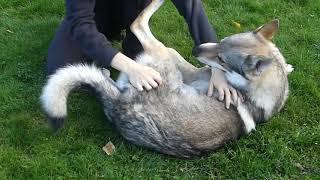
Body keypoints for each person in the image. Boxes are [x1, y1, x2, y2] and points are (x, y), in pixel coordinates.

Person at [47, 0, 236, 108]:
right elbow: (80, 24)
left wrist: (216, 66)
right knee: (60, 67)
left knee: (141, 56)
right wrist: (130, 67)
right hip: (93, 15)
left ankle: (130, 38)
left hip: (131, 12)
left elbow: (193, 9)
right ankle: (106, 52)